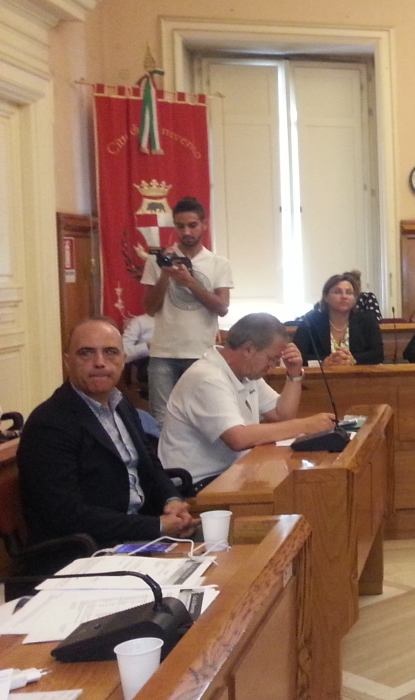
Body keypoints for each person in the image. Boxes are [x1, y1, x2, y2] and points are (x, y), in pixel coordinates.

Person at [18, 318, 197, 557]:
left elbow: (151, 467)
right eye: (86, 353)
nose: (100, 362)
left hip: (139, 537)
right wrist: (157, 526)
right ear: (67, 361)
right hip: (87, 550)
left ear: (123, 359)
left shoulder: (122, 405)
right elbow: (66, 515)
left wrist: (172, 500)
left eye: (110, 352)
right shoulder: (49, 423)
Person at [159, 313, 336, 490]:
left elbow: (281, 415)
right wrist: (306, 425)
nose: (273, 366)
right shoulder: (207, 377)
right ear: (248, 349)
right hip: (197, 483)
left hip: (231, 471)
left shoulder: (246, 372)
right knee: (298, 488)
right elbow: (238, 438)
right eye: (271, 358)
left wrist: (294, 373)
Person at [141, 196, 233, 428]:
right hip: (163, 354)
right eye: (180, 226)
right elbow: (150, 308)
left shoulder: (219, 263)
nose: (186, 232)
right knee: (162, 422)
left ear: (204, 225)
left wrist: (190, 282)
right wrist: (165, 273)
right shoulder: (158, 261)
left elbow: (222, 308)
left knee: (204, 420)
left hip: (201, 354)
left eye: (192, 225)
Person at [295, 270, 384, 366]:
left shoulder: (367, 320)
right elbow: (298, 355)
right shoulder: (310, 321)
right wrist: (323, 362)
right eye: (338, 292)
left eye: (349, 293)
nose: (344, 296)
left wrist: (353, 360)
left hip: (359, 374)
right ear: (326, 297)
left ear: (355, 298)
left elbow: (378, 354)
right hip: (321, 375)